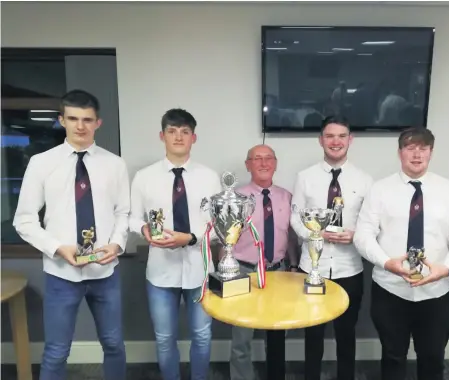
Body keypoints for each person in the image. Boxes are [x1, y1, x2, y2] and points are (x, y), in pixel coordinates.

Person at [13, 89, 129, 380]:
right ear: (61, 120)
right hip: (61, 273)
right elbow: (24, 220)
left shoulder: (115, 164)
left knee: (114, 345)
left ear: (97, 123)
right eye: (73, 118)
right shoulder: (41, 163)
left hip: (105, 273)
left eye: (88, 120)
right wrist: (56, 248)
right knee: (56, 351)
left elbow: (122, 213)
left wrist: (116, 244)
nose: (81, 126)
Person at [353, 127, 449, 380]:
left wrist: (447, 268)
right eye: (410, 148)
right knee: (393, 356)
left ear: (431, 152)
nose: (417, 154)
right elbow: (363, 235)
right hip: (390, 290)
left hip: (436, 292)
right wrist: (387, 263)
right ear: (400, 153)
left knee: (432, 359)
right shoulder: (380, 189)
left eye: (423, 148)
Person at [128, 108, 221, 380]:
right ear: (162, 136)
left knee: (202, 336)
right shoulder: (144, 177)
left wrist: (191, 237)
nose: (178, 137)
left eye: (185, 132)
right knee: (164, 337)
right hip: (160, 271)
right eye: (172, 131)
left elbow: (219, 225)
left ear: (194, 138)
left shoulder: (210, 177)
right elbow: (132, 218)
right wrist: (144, 228)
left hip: (199, 270)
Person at [290, 115, 372, 380]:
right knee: (312, 333)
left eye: (341, 136)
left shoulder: (365, 180)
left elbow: (371, 223)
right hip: (312, 268)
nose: (335, 142)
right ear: (320, 140)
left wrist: (356, 236)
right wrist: (314, 232)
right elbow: (295, 217)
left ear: (350, 140)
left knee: (346, 334)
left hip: (350, 269)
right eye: (329, 136)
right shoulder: (305, 177)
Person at [227, 144, 300, 380]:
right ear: (248, 165)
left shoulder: (287, 197)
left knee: (277, 335)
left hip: (278, 273)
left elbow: (289, 235)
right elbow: (224, 238)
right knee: (241, 339)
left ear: (276, 163)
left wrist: (294, 264)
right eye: (256, 158)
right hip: (243, 273)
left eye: (268, 158)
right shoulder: (235, 198)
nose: (263, 163)